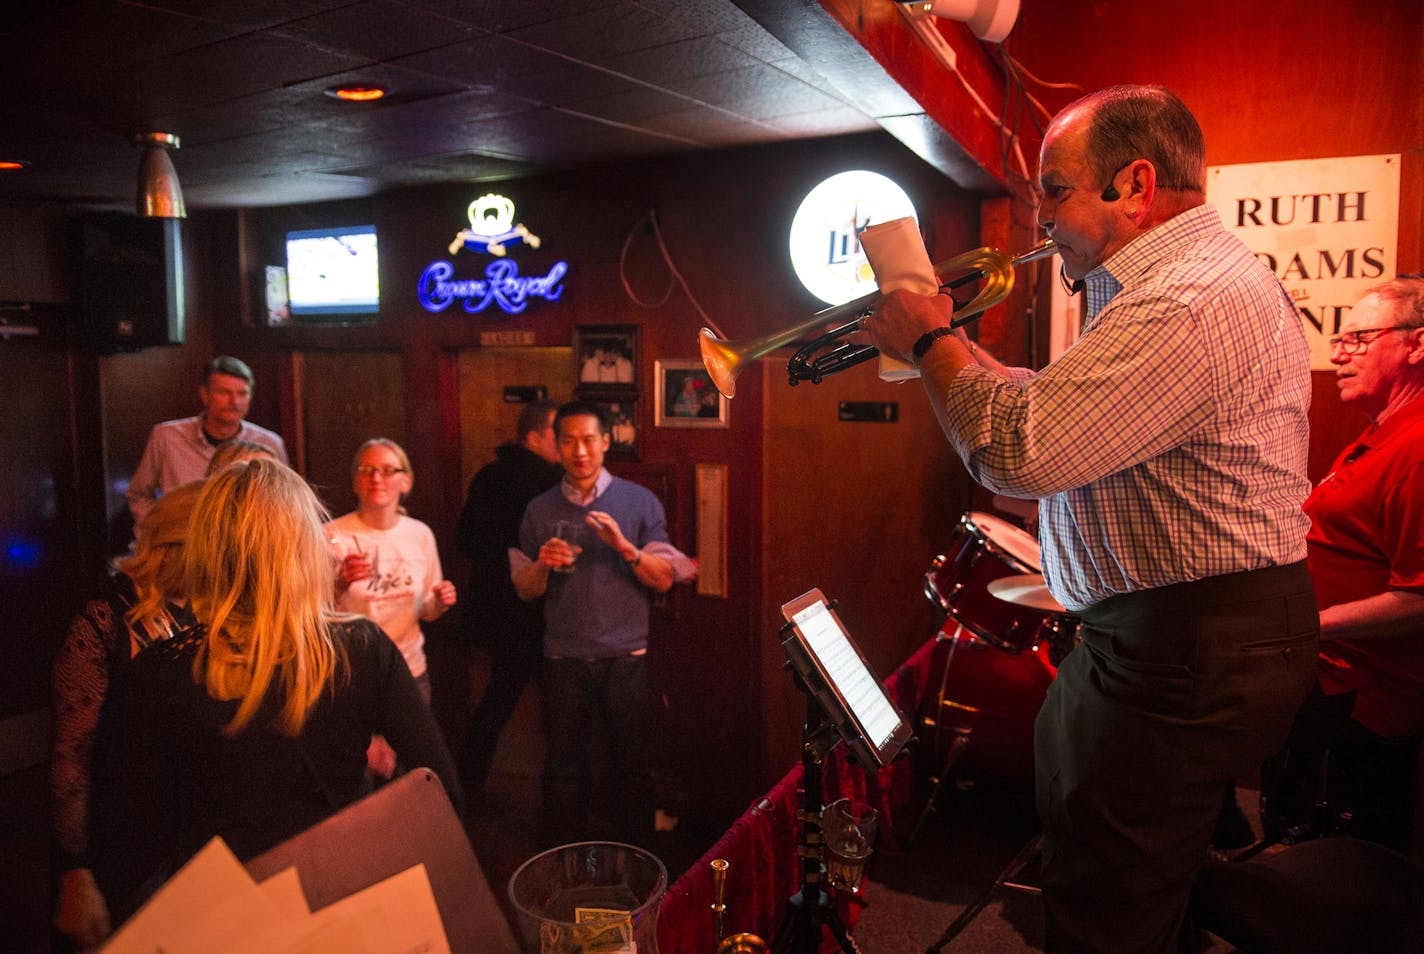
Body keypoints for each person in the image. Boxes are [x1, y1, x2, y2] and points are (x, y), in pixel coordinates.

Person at [859, 84, 1319, 953]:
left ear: (1134, 185)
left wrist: (929, 342)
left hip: (1185, 648)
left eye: (1055, 193)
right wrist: (964, 351)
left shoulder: (1178, 298)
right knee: (1122, 873)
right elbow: (1074, 413)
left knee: (1104, 910)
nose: (1043, 225)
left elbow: (1021, 456)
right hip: (1178, 637)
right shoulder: (1181, 282)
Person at [118, 459, 461, 897]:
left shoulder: (160, 667)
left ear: (205, 548)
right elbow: (442, 791)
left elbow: (138, 838)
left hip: (219, 903)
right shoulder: (360, 647)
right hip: (339, 887)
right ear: (304, 546)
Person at [1265, 276, 1424, 853]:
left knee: (1336, 872)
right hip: (1323, 678)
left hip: (1363, 700)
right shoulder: (1382, 432)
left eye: (1359, 338)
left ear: (1417, 344)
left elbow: (1419, 600)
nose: (1336, 353)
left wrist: (1305, 626)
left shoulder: (1418, 448)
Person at [512, 400, 696, 848]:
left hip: (625, 655)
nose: (580, 451)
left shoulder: (638, 501)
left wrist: (626, 548)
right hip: (562, 656)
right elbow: (524, 589)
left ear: (606, 443)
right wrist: (542, 565)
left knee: (631, 765)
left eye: (589, 440)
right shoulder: (538, 508)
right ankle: (559, 865)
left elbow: (667, 577)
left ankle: (640, 864)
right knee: (562, 767)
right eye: (569, 441)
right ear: (556, 446)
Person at [50, 482, 202, 947]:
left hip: (194, 829)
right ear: (184, 544)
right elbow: (71, 754)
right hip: (123, 835)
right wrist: (73, 867)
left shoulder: (213, 605)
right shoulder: (104, 615)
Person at [453, 400, 564, 805]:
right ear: (534, 437)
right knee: (560, 709)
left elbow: (464, 540)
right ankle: (563, 798)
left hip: (496, 611)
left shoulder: (488, 475)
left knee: (497, 700)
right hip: (537, 613)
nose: (567, 444)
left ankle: (468, 786)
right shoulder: (554, 485)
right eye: (559, 435)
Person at [126, 355, 288, 528]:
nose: (234, 402)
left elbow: (286, 501)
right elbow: (139, 495)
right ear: (205, 395)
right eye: (224, 392)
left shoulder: (269, 443)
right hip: (181, 544)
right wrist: (158, 533)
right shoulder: (166, 437)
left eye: (242, 393)